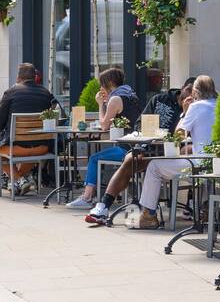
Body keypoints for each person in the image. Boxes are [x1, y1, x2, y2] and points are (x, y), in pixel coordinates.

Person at [89, 75, 218, 229]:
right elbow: (139, 124)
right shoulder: (160, 99)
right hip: (150, 147)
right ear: (182, 88)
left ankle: (148, 214)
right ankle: (104, 205)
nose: (189, 96)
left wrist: (184, 112)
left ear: (197, 93)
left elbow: (179, 135)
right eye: (187, 91)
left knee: (156, 166)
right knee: (131, 159)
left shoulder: (193, 107)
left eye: (193, 93)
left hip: (175, 153)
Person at [66, 68, 143, 211]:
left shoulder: (115, 99)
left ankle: (87, 197)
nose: (101, 88)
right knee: (100, 156)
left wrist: (101, 104)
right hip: (137, 147)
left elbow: (104, 125)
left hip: (126, 149)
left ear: (109, 83)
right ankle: (93, 194)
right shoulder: (131, 95)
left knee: (94, 158)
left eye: (102, 84)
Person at [0, 63, 63, 196]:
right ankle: (19, 182)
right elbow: (60, 114)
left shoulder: (10, 93)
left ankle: (18, 180)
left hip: (16, 148)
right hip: (42, 148)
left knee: (2, 152)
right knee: (31, 148)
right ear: (35, 77)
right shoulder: (46, 93)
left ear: (18, 77)